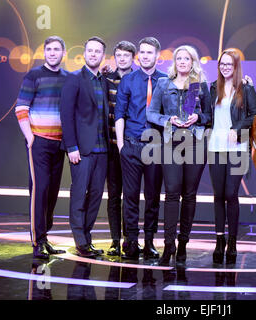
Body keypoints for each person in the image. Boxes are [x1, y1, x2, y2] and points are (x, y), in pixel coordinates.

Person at [146, 45, 211, 265]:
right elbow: (152, 113)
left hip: (195, 143)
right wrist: (168, 120)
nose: (183, 62)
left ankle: (183, 244)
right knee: (172, 193)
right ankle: (168, 245)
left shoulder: (199, 85)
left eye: (187, 58)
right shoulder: (163, 83)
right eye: (179, 58)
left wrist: (197, 118)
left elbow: (208, 115)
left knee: (189, 194)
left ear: (193, 61)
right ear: (175, 61)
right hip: (170, 143)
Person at [15, 35, 68, 259]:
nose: (53, 53)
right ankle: (37, 242)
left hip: (60, 144)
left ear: (63, 53)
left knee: (52, 192)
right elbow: (21, 109)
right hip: (38, 142)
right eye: (49, 49)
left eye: (57, 49)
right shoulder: (34, 75)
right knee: (40, 189)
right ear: (44, 52)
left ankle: (45, 237)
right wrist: (30, 138)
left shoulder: (68, 78)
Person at [114, 37, 166, 260]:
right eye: (142, 52)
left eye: (149, 52)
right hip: (132, 145)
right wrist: (121, 145)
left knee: (153, 196)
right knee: (131, 196)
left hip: (156, 146)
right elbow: (120, 114)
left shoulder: (166, 81)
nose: (145, 56)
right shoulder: (129, 80)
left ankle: (150, 242)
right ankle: (131, 241)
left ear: (157, 56)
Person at [208, 49, 256, 264]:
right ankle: (219, 241)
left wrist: (237, 128)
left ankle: (232, 242)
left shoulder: (245, 88)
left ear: (236, 66)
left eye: (229, 64)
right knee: (219, 195)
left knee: (231, 194)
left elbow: (254, 114)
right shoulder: (213, 87)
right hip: (215, 147)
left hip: (237, 148)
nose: (225, 67)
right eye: (222, 64)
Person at [60, 36, 110, 257]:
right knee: (79, 195)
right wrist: (71, 147)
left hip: (102, 149)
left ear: (102, 55)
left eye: (97, 51)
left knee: (96, 195)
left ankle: (86, 238)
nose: (93, 54)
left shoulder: (104, 80)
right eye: (90, 50)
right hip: (81, 149)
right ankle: (80, 241)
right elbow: (66, 114)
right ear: (85, 53)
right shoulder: (74, 79)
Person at [104, 41, 136, 257]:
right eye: (119, 54)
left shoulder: (137, 80)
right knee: (114, 195)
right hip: (111, 148)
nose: (122, 58)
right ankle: (115, 240)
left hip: (133, 147)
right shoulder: (106, 80)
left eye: (126, 55)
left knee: (131, 196)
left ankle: (129, 239)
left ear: (133, 58)